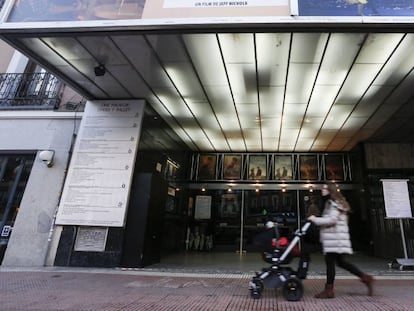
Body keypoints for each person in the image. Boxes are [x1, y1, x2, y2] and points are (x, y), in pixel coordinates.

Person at [307, 183, 374, 298]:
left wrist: (315, 219)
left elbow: (332, 220)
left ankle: (329, 290)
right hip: (335, 238)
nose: (322, 190)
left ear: (329, 190)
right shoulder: (335, 203)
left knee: (330, 262)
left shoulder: (334, 204)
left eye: (324, 188)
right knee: (341, 262)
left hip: (335, 239)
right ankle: (365, 278)